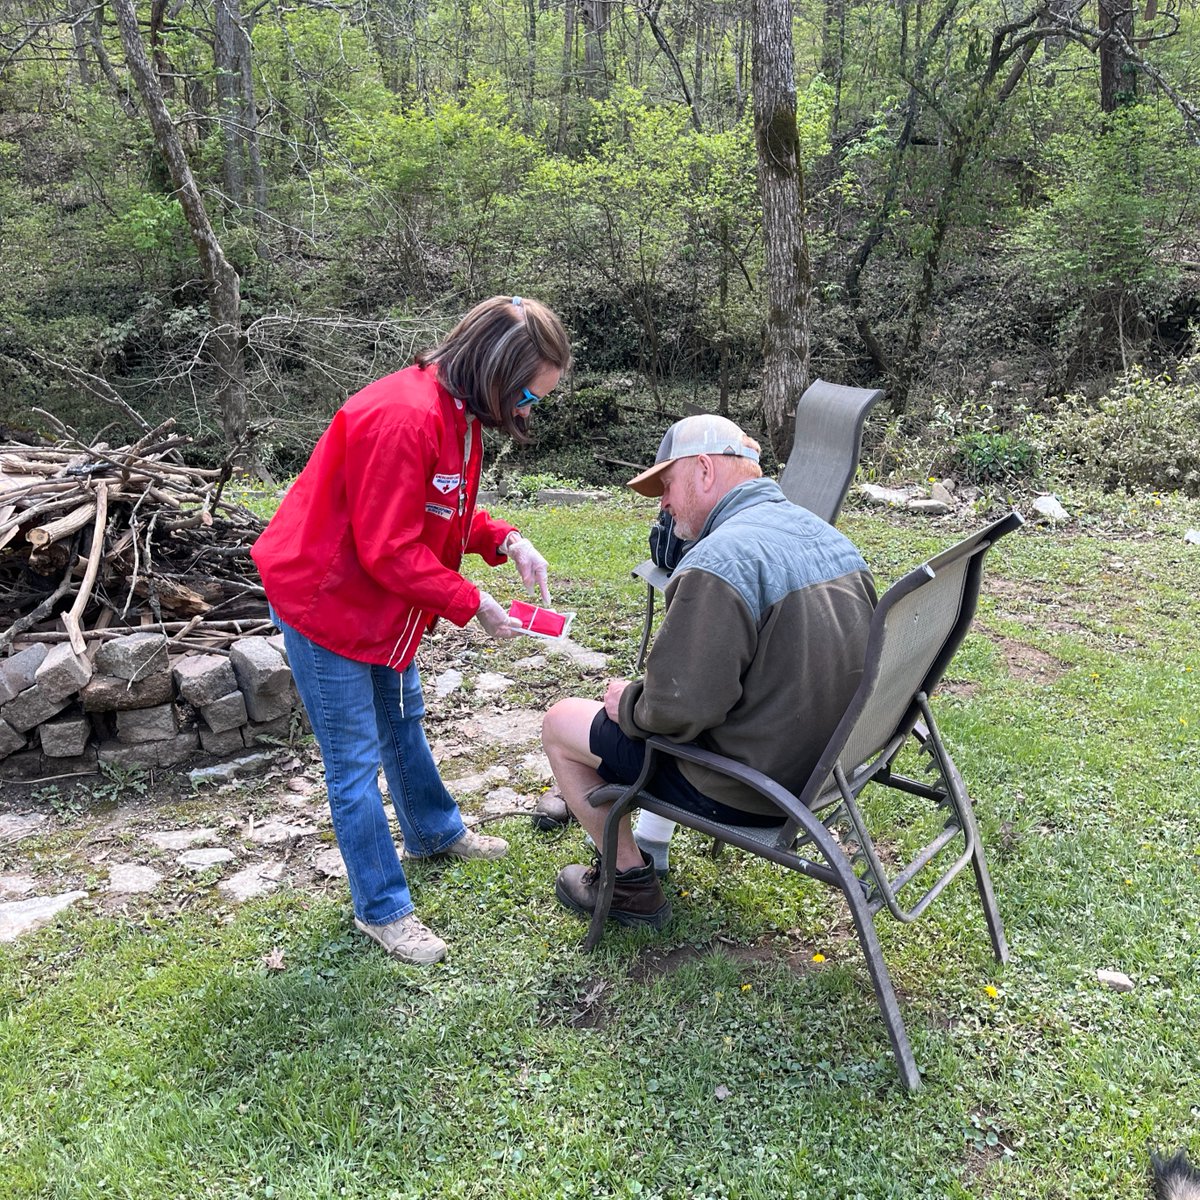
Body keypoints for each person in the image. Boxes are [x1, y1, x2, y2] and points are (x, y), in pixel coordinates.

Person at [253, 296, 572, 964]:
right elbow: (389, 548)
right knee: (354, 764)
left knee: (404, 719)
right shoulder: (401, 416)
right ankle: (382, 909)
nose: (525, 412)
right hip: (328, 601)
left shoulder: (459, 412)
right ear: (494, 368)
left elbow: (444, 507)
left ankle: (433, 831)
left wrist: (506, 539)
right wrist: (472, 602)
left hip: (383, 603)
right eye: (526, 395)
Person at [541, 414, 876, 928]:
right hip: (827, 770)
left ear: (702, 470)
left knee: (562, 722)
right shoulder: (826, 536)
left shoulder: (719, 561)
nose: (663, 503)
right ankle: (646, 838)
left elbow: (676, 713)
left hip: (751, 789)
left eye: (667, 486)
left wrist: (627, 703)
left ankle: (629, 883)